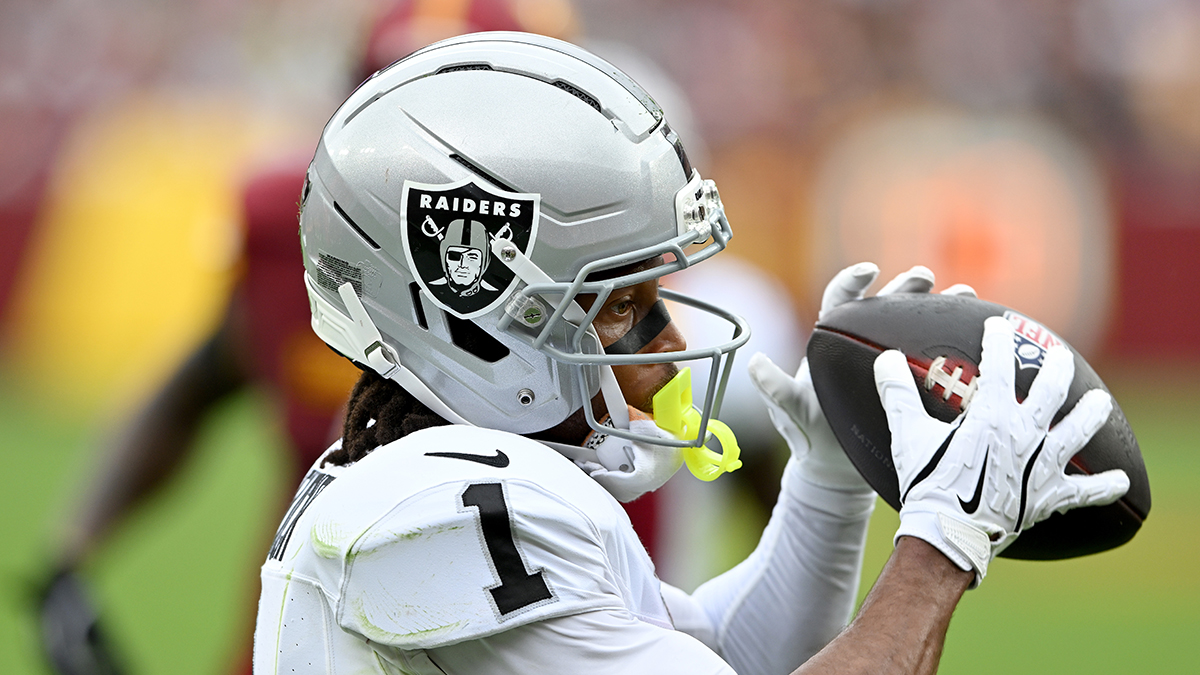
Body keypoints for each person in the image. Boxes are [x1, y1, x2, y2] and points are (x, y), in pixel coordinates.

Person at [254, 32, 1130, 675]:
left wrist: (827, 483)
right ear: (476, 319)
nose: (670, 347)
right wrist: (942, 544)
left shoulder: (447, 479)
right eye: (622, 306)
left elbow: (725, 655)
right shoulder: (437, 510)